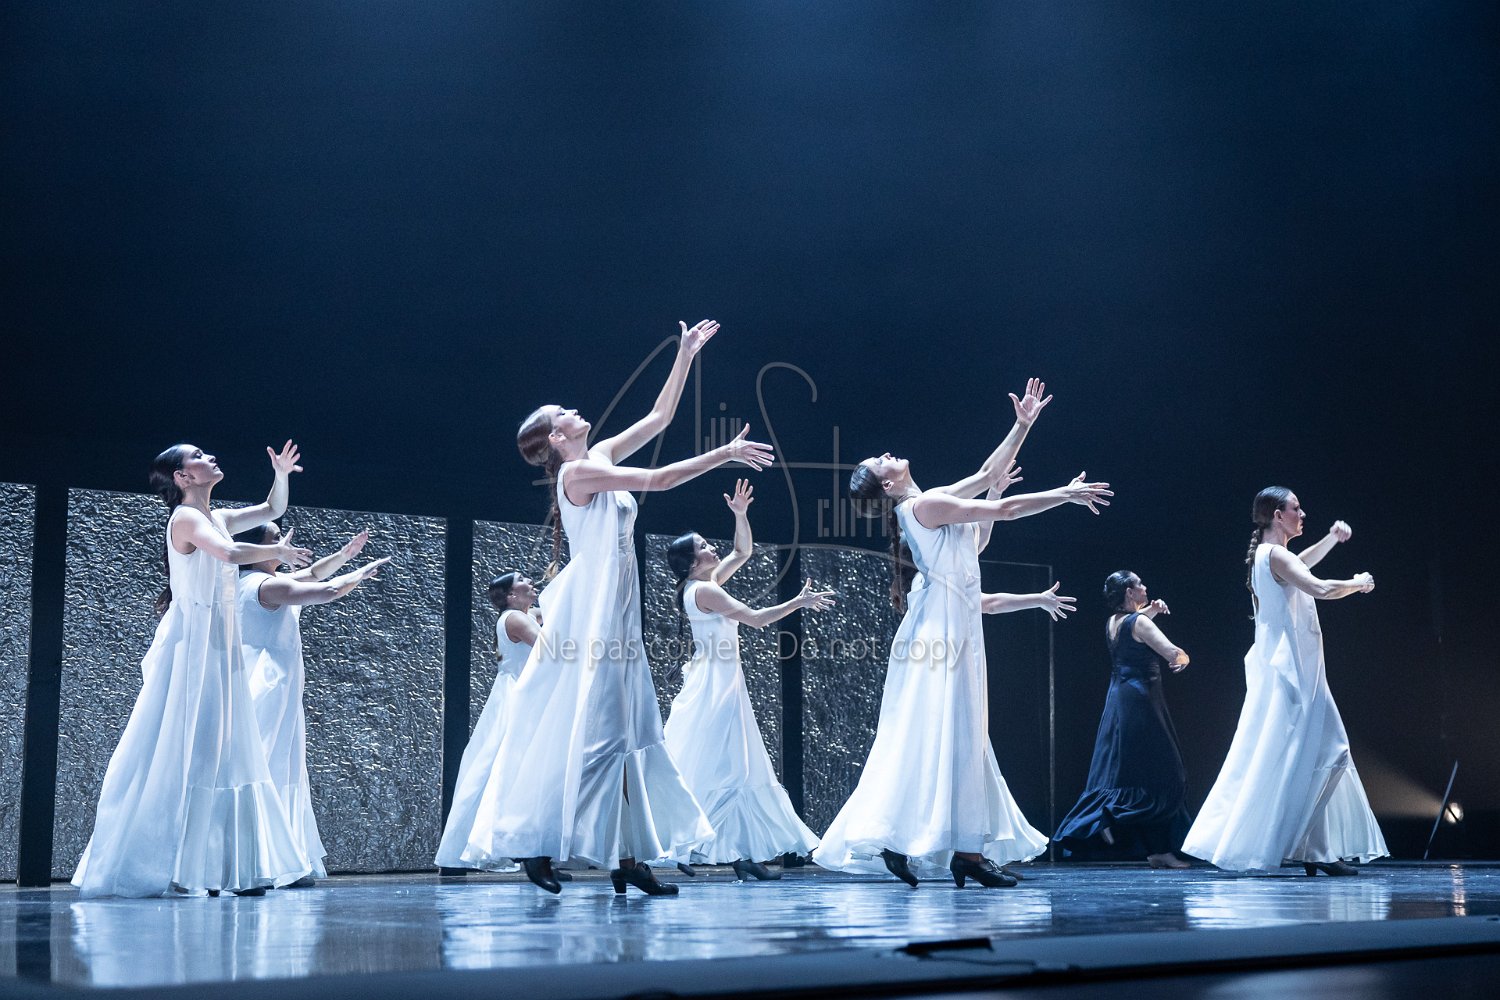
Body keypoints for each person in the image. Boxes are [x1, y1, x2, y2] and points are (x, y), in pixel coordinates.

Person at [461, 319, 773, 895]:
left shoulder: (597, 454)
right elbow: (659, 478)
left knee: (629, 734)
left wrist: (684, 355)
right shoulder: (579, 472)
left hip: (619, 614)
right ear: (557, 437)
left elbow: (659, 418)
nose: (574, 410)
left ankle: (628, 859)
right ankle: (539, 842)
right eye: (563, 413)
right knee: (601, 734)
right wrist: (725, 452)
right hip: (595, 616)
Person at [815, 380, 1113, 889]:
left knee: (946, 735)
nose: (887, 455)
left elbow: (984, 504)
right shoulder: (924, 505)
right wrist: (1062, 491)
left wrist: (1019, 432)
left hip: (950, 625)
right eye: (879, 462)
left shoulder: (927, 503)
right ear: (885, 484)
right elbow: (1004, 507)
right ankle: (960, 853)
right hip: (943, 633)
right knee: (954, 734)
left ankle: (927, 844)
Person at [73, 442, 315, 898]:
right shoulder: (186, 518)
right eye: (199, 456)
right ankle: (163, 861)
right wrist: (278, 552)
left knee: (225, 748)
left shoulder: (216, 516)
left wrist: (281, 474)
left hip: (219, 643)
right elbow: (228, 554)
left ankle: (220, 865)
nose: (210, 458)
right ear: (183, 477)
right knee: (183, 744)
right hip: (193, 645)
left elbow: (272, 509)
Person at [1181, 487, 1387, 876]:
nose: (1302, 513)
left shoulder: (1269, 555)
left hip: (1297, 671)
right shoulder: (1274, 556)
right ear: (1278, 515)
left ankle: (1315, 849)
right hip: (1293, 674)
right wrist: (1358, 582)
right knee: (1321, 752)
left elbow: (1301, 565)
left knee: (1315, 754)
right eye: (1296, 508)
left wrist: (1331, 539)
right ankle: (1305, 848)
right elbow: (1319, 587)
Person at [663, 480, 833, 880]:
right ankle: (684, 843)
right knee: (725, 765)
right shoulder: (705, 591)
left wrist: (740, 515)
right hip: (715, 684)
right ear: (692, 562)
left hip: (721, 679)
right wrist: (798, 602)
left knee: (730, 765)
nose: (712, 549)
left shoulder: (702, 585)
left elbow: (743, 552)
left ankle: (737, 853)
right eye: (704, 547)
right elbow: (756, 619)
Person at [234, 523, 390, 884]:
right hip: (268, 684)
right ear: (257, 550)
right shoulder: (265, 585)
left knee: (282, 765)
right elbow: (326, 589)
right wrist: (359, 574)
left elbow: (314, 573)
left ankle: (281, 856)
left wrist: (344, 556)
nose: (283, 543)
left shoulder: (254, 581)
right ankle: (259, 861)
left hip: (278, 684)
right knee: (267, 764)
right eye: (275, 539)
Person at [1052, 571, 1192, 868]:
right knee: (1167, 773)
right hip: (1142, 702)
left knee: (1126, 772)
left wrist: (1152, 610)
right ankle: (1111, 819)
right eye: (1140, 584)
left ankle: (1152, 847)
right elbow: (1170, 652)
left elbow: (1136, 627)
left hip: (1118, 699)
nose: (1145, 587)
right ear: (1130, 592)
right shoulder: (1139, 622)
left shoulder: (1113, 622)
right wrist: (1183, 657)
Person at [434, 572, 552, 874]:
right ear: (511, 595)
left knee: (516, 767)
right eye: (523, 579)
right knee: (509, 766)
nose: (531, 581)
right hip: (519, 695)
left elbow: (552, 610)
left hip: (518, 692)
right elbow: (550, 648)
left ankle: (535, 849)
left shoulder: (524, 614)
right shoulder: (516, 618)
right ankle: (506, 842)